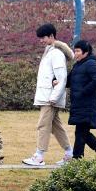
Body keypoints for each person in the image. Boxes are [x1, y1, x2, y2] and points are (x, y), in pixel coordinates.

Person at [22, 24, 74, 167]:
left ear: (51, 36)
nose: (41, 41)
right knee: (56, 127)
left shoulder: (56, 53)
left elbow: (61, 78)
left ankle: (39, 157)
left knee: (43, 125)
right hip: (48, 96)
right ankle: (70, 154)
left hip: (50, 98)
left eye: (43, 37)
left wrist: (53, 98)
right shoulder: (50, 51)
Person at [64, 40, 96, 160]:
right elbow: (68, 82)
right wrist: (56, 79)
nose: (75, 53)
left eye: (78, 51)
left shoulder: (90, 63)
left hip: (88, 105)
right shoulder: (77, 65)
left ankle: (78, 158)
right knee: (82, 133)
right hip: (79, 104)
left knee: (81, 132)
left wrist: (83, 92)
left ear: (85, 52)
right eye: (75, 51)